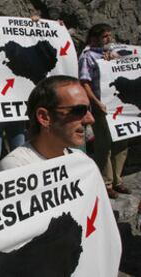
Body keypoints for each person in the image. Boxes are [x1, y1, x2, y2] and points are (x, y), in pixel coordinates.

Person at [79, 23, 130, 199]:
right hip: (101, 107)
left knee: (122, 143)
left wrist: (115, 59)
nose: (109, 39)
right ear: (94, 38)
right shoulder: (87, 57)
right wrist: (96, 103)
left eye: (110, 35)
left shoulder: (112, 54)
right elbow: (84, 83)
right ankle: (106, 183)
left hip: (120, 107)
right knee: (104, 145)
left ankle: (118, 180)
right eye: (105, 36)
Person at [0, 75, 95, 170]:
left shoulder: (80, 159)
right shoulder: (15, 168)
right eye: (79, 110)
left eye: (89, 109)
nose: (90, 119)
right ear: (44, 117)